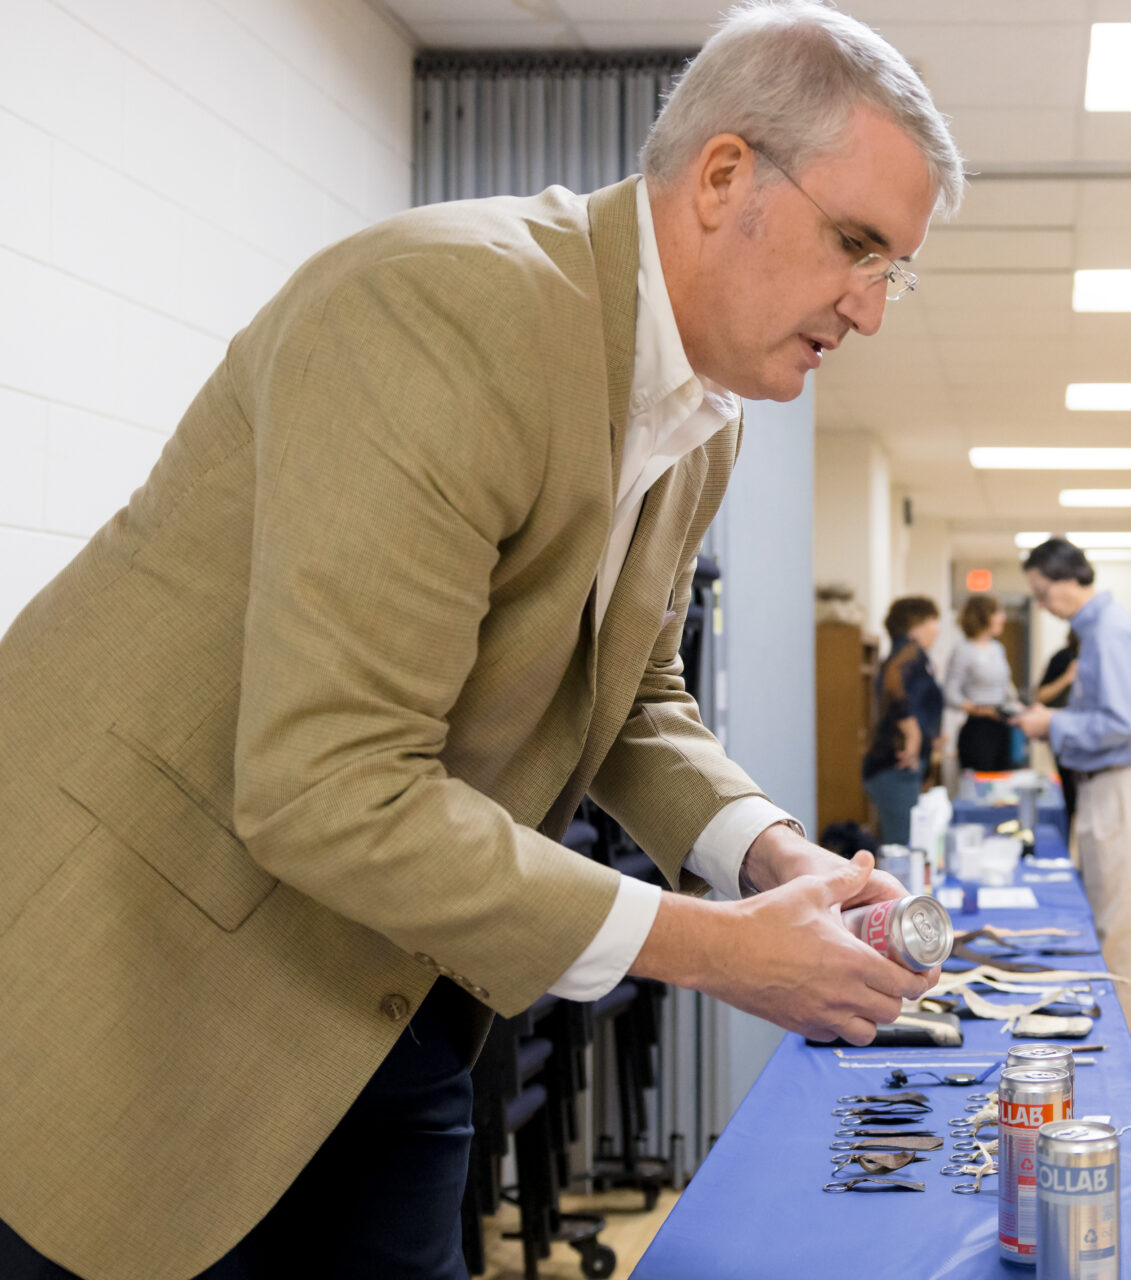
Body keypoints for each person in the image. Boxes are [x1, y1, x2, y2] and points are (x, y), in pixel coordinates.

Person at [0, 4, 966, 1277]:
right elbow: (323, 784)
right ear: (725, 175)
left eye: (892, 268)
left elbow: (629, 696)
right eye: (856, 245)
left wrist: (769, 857)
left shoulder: (705, 417)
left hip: (393, 996)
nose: (871, 309)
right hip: (153, 991)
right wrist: (719, 951)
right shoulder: (444, 308)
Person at [1013, 540, 1131, 1050]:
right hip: (1109, 786)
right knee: (1115, 918)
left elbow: (1123, 723)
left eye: (1041, 592)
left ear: (1064, 579)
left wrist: (1051, 721)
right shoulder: (1097, 631)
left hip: (1121, 784)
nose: (1041, 605)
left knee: (1122, 925)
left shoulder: (1108, 633)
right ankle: (1126, 1035)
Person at [863, 597, 944, 845]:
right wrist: (913, 734)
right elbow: (893, 681)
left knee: (904, 847)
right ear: (915, 626)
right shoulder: (910, 653)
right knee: (902, 853)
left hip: (897, 769)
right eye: (933, 620)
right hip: (895, 767)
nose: (937, 628)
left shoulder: (913, 655)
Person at [945, 593, 1017, 772]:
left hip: (1001, 724)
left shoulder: (998, 648)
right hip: (978, 727)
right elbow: (950, 692)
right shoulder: (964, 650)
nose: (1003, 617)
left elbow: (1005, 686)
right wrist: (976, 709)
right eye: (997, 612)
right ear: (983, 616)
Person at [1036, 630, 1081, 824]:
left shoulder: (1101, 659)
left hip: (1089, 738)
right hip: (1064, 737)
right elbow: (1040, 696)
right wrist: (1067, 677)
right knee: (1069, 794)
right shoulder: (1063, 658)